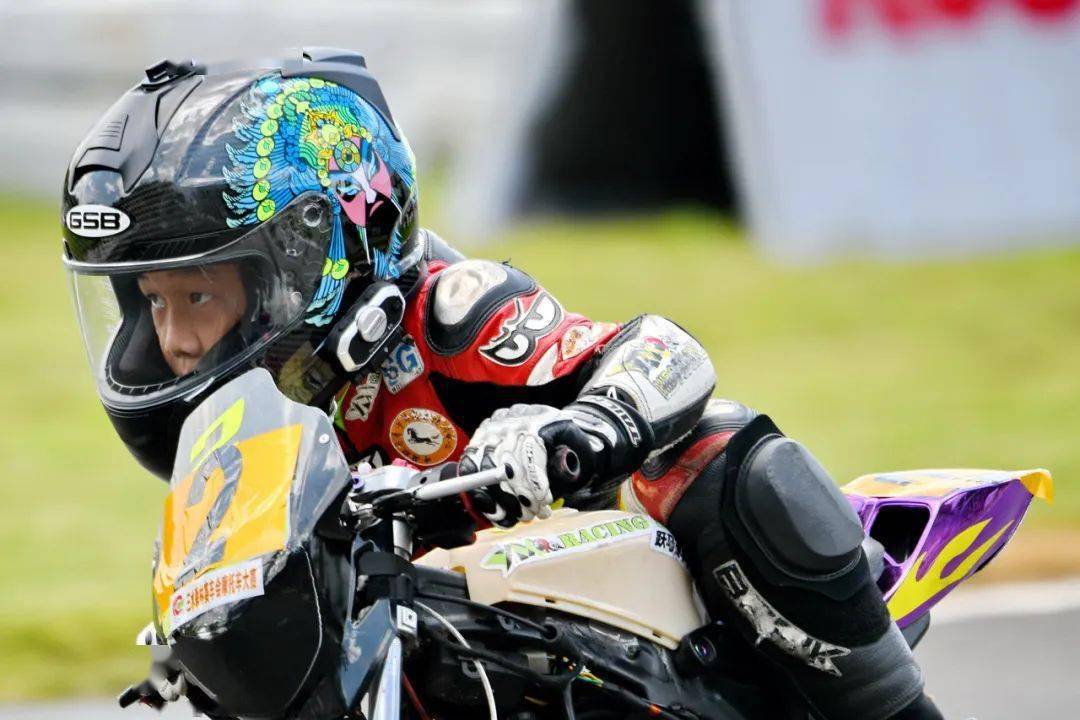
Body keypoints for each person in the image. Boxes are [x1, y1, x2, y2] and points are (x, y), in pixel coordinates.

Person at [62, 52, 940, 720]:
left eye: (199, 295)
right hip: (436, 628)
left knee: (722, 453)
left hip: (613, 598)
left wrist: (582, 430)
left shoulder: (453, 312)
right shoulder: (265, 416)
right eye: (152, 302)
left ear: (308, 256)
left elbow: (665, 349)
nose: (172, 340)